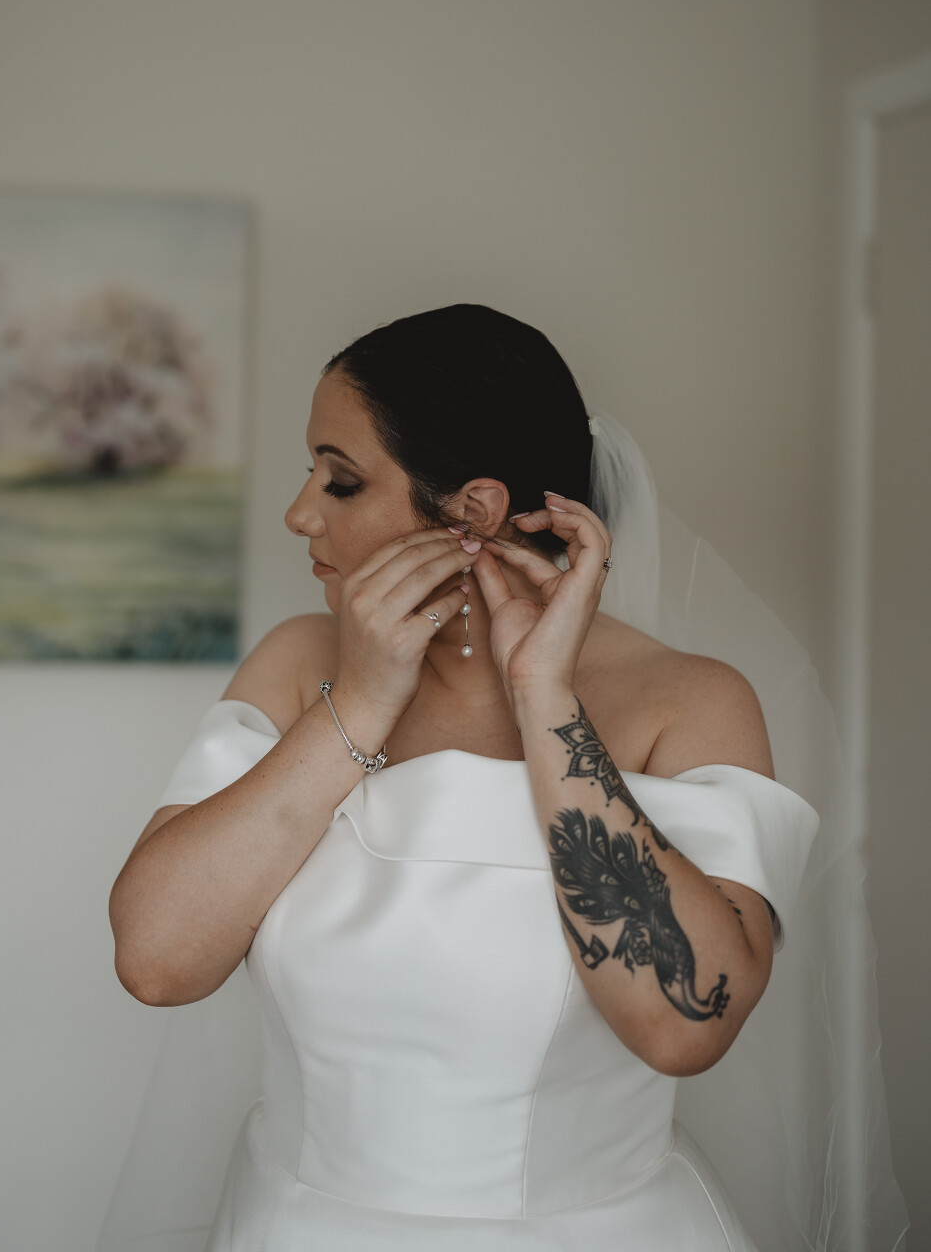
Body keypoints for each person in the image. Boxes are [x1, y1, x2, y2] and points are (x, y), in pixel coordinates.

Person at [103, 304, 906, 1252]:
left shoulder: (686, 703)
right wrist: (358, 702)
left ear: (473, 512)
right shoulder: (296, 664)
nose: (300, 513)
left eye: (341, 479)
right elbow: (156, 962)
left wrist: (545, 699)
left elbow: (684, 1024)